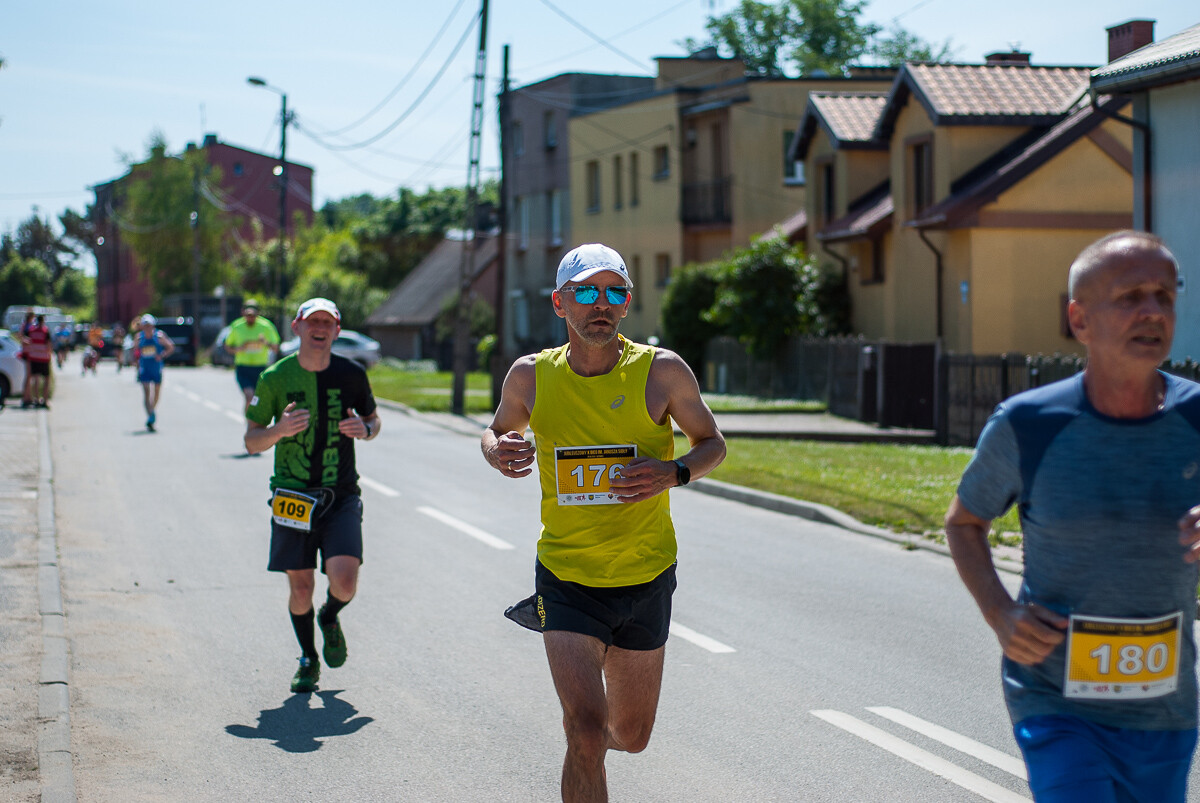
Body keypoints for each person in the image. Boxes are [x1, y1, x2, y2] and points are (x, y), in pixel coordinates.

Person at [945, 230, 1199, 802]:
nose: (1152, 311)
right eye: (1130, 296)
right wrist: (1001, 614)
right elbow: (963, 523)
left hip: (1166, 710)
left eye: (1164, 296)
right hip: (1055, 699)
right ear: (1080, 319)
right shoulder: (1029, 424)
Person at [482, 243, 726, 802]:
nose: (602, 303)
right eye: (587, 291)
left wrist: (674, 472)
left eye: (615, 291)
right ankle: (583, 741)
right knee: (588, 733)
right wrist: (497, 451)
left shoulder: (661, 371)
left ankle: (586, 743)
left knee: (630, 737)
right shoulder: (531, 376)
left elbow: (712, 443)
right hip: (567, 577)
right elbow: (495, 430)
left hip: (645, 576)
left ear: (627, 303)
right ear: (559, 302)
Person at [244, 298, 381, 694]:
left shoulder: (351, 374)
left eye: (327, 322)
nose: (319, 328)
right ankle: (308, 658)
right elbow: (251, 440)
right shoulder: (275, 377)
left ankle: (330, 615)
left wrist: (365, 430)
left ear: (336, 330)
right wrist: (279, 430)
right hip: (293, 495)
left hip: (341, 493)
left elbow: (373, 420)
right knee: (301, 588)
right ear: (297, 327)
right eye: (312, 321)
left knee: (345, 582)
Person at [225, 299, 281, 412]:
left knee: (258, 399)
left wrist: (266, 343)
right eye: (248, 315)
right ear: (243, 313)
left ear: (258, 313)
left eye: (253, 316)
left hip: (260, 368)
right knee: (249, 396)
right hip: (243, 368)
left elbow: (276, 348)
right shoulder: (237, 326)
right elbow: (228, 347)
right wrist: (239, 349)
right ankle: (249, 421)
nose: (250, 318)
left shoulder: (266, 326)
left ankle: (254, 419)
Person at [133, 314, 174, 431]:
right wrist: (136, 361)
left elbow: (171, 347)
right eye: (145, 326)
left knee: (156, 393)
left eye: (149, 326)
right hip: (144, 369)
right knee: (146, 392)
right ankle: (151, 415)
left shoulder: (159, 336)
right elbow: (135, 351)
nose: (148, 328)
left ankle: (152, 410)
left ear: (153, 326)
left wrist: (162, 355)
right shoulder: (139, 338)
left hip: (156, 369)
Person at [21, 314, 53, 408]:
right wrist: (50, 355)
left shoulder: (31, 330)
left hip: (33, 357)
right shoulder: (45, 331)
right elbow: (48, 345)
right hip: (44, 358)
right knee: (46, 379)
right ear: (43, 321)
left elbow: (25, 339)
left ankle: (37, 399)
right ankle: (45, 400)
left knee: (36, 378)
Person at [18, 311, 35, 407]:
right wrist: (29, 341)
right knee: (28, 375)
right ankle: (26, 397)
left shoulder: (27, 325)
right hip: (27, 352)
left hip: (29, 351)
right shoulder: (26, 325)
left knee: (29, 376)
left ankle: (28, 396)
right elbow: (21, 336)